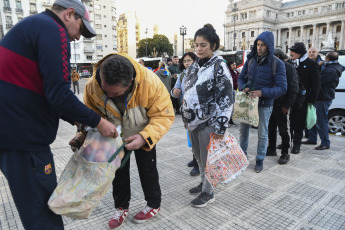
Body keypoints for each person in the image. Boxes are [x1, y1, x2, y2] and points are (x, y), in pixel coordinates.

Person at [0, 0, 117, 229]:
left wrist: (75, 119)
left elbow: (43, 92)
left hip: (12, 133)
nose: (78, 38)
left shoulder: (34, 25)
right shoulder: (53, 29)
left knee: (35, 208)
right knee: (43, 212)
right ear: (69, 14)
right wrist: (98, 121)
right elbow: (59, 94)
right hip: (24, 140)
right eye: (80, 29)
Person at [82, 54, 174, 229]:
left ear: (130, 81)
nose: (108, 95)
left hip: (143, 133)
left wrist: (144, 137)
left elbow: (164, 114)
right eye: (105, 90)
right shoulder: (92, 86)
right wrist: (84, 134)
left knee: (148, 170)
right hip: (114, 138)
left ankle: (153, 204)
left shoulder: (150, 83)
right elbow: (88, 113)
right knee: (118, 174)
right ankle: (121, 207)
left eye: (115, 93)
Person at [182, 24, 234, 208]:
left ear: (213, 45)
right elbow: (187, 91)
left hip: (209, 124)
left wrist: (221, 127)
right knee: (198, 157)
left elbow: (226, 98)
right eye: (196, 44)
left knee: (209, 160)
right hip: (193, 122)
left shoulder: (219, 67)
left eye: (203, 45)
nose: (198, 48)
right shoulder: (194, 66)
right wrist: (185, 118)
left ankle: (208, 192)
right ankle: (204, 183)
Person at [237, 31, 287, 173]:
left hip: (264, 104)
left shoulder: (278, 64)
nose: (259, 48)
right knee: (243, 131)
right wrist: (243, 87)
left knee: (263, 133)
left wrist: (262, 92)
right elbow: (241, 78)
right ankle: (242, 156)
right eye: (258, 44)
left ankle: (260, 159)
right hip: (247, 102)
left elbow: (282, 88)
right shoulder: (251, 60)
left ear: (269, 46)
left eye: (263, 45)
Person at [305, 52, 345, 150]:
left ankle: (325, 143)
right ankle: (312, 138)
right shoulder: (333, 67)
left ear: (327, 59)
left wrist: (317, 67)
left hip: (323, 97)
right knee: (314, 119)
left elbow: (317, 81)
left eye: (325, 58)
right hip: (321, 96)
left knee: (321, 120)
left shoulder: (330, 70)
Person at [266, 48, 299, 164]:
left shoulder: (288, 68)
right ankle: (271, 149)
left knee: (284, 130)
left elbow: (294, 88)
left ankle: (285, 153)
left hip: (282, 104)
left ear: (278, 57)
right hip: (271, 103)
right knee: (270, 128)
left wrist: (287, 105)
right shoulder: (270, 67)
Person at [171, 52, 199, 176]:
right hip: (186, 110)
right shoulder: (182, 75)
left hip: (198, 111)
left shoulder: (200, 73)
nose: (187, 63)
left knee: (198, 137)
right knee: (191, 136)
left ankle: (199, 164)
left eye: (189, 60)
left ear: (195, 61)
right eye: (185, 61)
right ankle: (195, 159)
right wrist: (175, 92)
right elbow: (175, 91)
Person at [288, 42, 320, 153]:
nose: (291, 53)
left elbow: (316, 84)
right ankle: (288, 142)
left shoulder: (311, 64)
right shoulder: (289, 63)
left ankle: (296, 144)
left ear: (300, 53)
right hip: (289, 98)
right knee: (290, 122)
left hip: (302, 99)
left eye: (293, 51)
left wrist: (311, 100)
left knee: (299, 123)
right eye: (290, 50)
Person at [229, 61, 239, 126]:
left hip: (236, 90)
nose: (234, 66)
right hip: (231, 90)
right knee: (231, 105)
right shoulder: (229, 72)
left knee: (234, 106)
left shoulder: (237, 72)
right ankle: (229, 120)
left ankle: (231, 119)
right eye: (233, 65)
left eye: (235, 64)